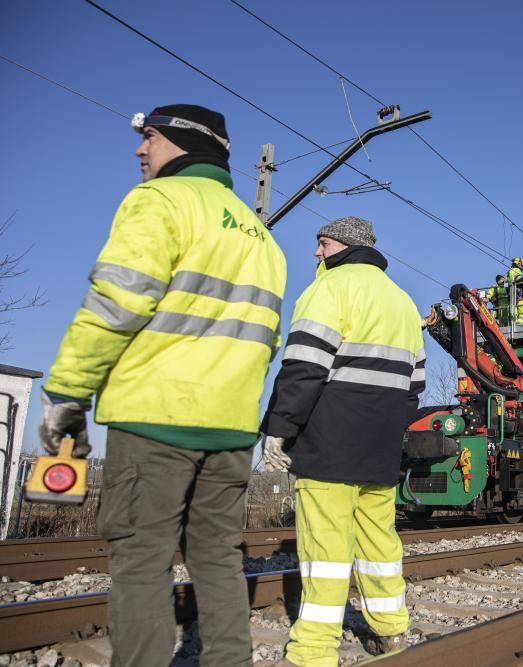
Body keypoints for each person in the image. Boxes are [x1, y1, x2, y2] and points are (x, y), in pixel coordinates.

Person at [38, 104, 287, 666]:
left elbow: (114, 305)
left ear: (178, 142)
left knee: (141, 558)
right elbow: (264, 341)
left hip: (156, 417)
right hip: (229, 428)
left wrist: (67, 394)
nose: (139, 150)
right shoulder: (261, 238)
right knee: (219, 557)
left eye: (148, 137)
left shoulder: (159, 202)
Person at [259, 216, 425, 666]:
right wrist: (387, 428)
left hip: (328, 443)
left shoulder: (328, 290)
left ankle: (313, 652)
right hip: (381, 449)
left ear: (345, 247)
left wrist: (279, 427)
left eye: (323, 243)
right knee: (378, 542)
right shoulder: (405, 303)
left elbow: (303, 369)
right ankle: (392, 632)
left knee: (325, 550)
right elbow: (415, 389)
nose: (316, 252)